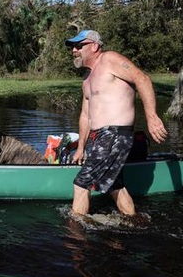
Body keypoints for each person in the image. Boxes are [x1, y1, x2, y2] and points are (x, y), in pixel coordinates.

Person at [65, 30, 167, 217]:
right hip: (99, 138)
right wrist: (81, 147)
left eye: (79, 46)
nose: (74, 50)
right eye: (73, 47)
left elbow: (142, 79)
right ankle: (136, 221)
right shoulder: (87, 80)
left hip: (115, 133)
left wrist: (152, 117)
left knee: (81, 184)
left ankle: (75, 239)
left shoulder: (109, 60)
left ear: (94, 46)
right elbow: (85, 115)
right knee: (114, 184)